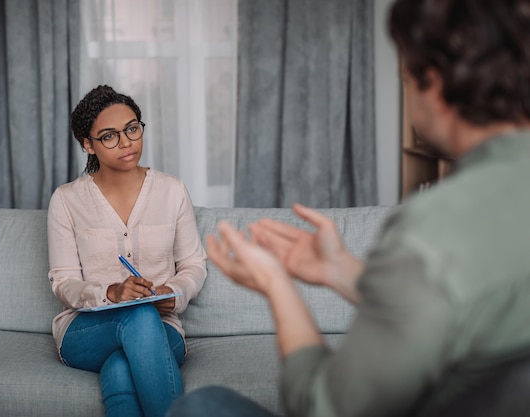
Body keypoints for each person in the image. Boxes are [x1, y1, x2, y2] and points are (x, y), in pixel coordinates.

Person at [167, 0, 530, 416]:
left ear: (434, 85)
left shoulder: (430, 229)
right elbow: (455, 311)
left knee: (201, 406)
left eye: (406, 80)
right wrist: (342, 271)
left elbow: (325, 406)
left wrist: (277, 285)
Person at [47, 85, 207, 417]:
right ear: (87, 144)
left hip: (164, 328)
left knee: (121, 367)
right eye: (109, 136)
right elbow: (64, 283)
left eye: (132, 128)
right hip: (86, 330)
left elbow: (194, 264)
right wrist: (111, 292)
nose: (126, 142)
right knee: (137, 313)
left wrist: (173, 292)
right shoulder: (66, 200)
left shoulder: (172, 191)